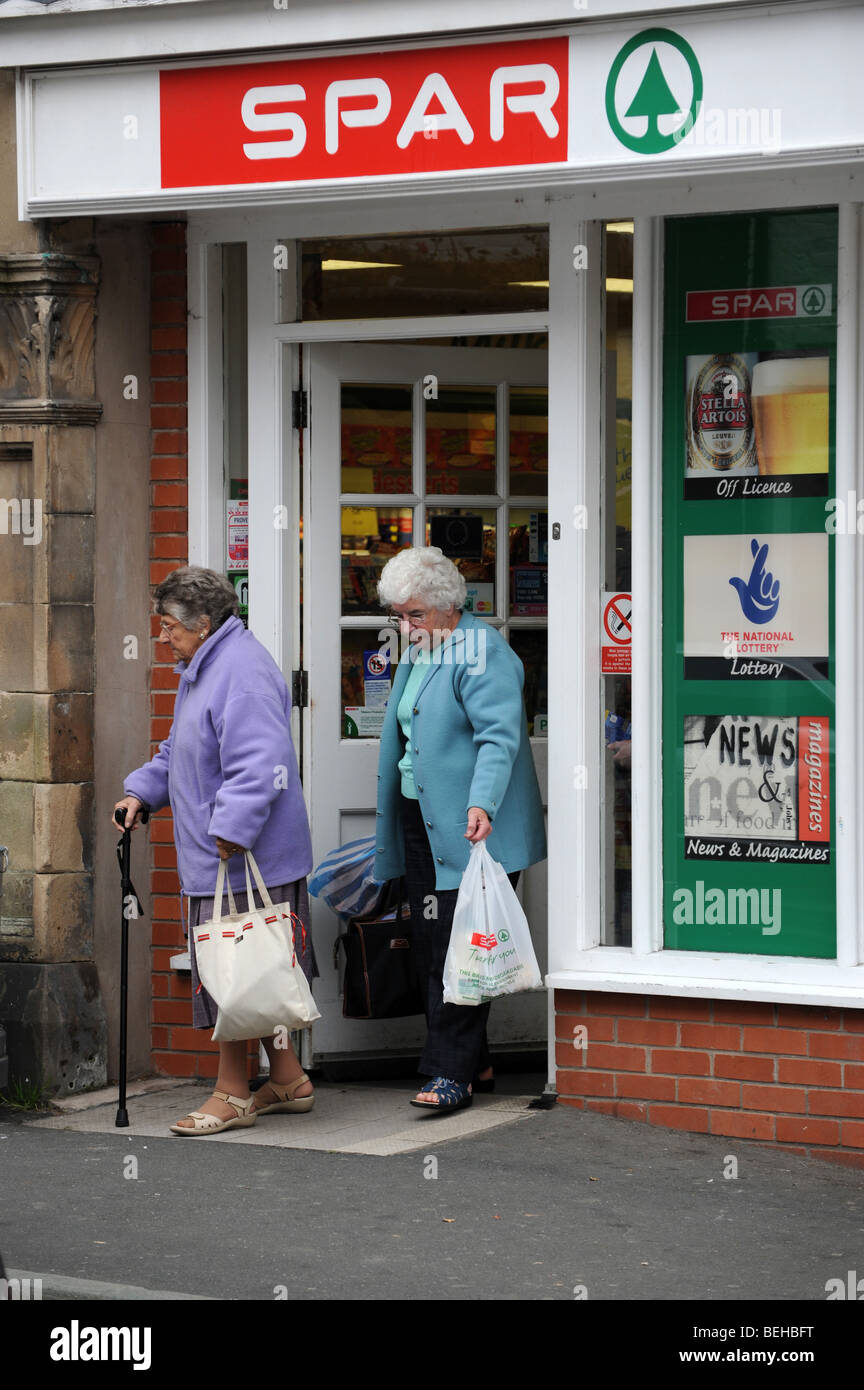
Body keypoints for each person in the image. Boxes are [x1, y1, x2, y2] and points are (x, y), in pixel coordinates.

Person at [114, 566, 316, 1136]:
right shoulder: (204, 667)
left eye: (169, 625)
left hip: (240, 855)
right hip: (224, 855)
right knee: (257, 966)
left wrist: (231, 828)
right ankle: (288, 1078)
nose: (161, 636)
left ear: (203, 625)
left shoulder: (241, 671)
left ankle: (232, 1093)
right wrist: (141, 791)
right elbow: (179, 749)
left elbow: (261, 764)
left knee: (236, 973)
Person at [374, 546, 546, 1113]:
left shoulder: (482, 652)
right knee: (432, 942)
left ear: (450, 608)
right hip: (423, 820)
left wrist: (481, 803)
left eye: (415, 614)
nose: (405, 626)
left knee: (459, 946)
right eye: (398, 616)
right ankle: (475, 1060)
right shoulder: (422, 649)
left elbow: (500, 737)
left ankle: (451, 1072)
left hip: (473, 826)